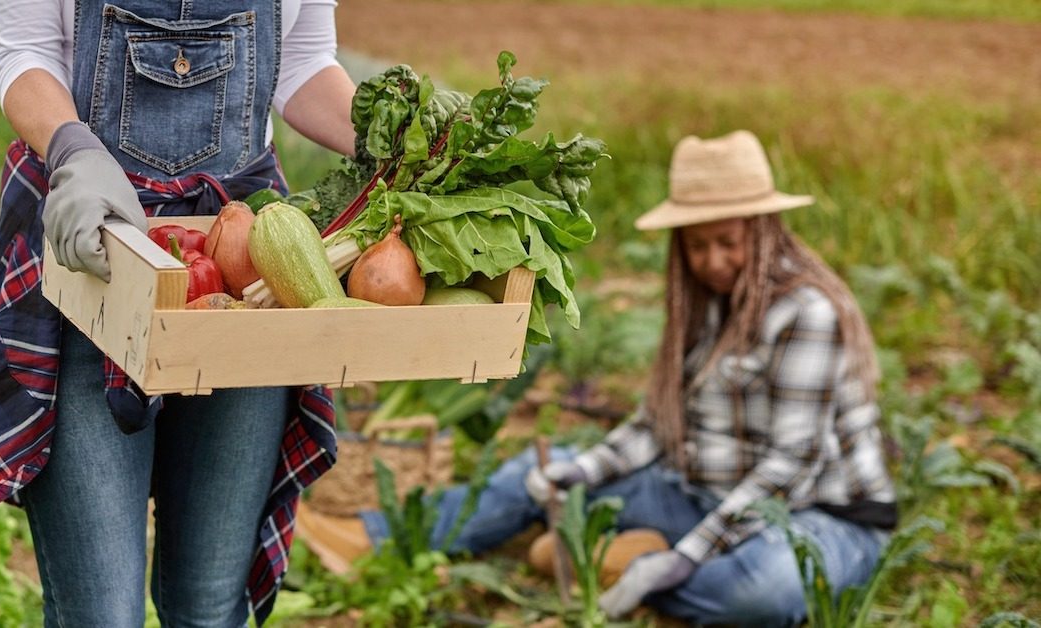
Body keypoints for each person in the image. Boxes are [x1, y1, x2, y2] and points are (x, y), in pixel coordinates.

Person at [297, 130, 898, 626]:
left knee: (757, 596)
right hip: (696, 494)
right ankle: (375, 539)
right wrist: (581, 473)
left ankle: (634, 565)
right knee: (534, 475)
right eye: (697, 247)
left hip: (814, 515)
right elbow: (657, 427)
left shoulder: (807, 314)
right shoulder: (705, 305)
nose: (712, 261)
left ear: (762, 232)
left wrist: (684, 557)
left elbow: (786, 468)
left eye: (727, 244)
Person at [0, 1, 356, 625]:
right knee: (101, 613)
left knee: (210, 603)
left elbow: (300, 60)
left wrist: (403, 145)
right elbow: (25, 51)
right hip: (92, 251)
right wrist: (74, 151)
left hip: (237, 255)